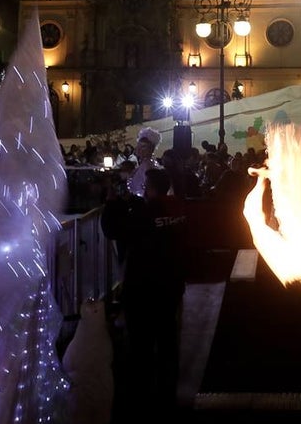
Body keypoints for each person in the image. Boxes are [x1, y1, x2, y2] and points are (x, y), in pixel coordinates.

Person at [100, 167, 189, 415]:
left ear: (149, 188)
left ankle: (140, 401)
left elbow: (113, 230)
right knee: (168, 339)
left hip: (143, 289)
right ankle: (167, 394)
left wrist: (112, 203)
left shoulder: (145, 213)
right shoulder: (177, 208)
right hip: (170, 285)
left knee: (141, 345)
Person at [125, 127, 162, 197]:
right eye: (139, 146)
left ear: (151, 149)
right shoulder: (144, 164)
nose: (139, 149)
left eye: (144, 146)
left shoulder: (149, 165)